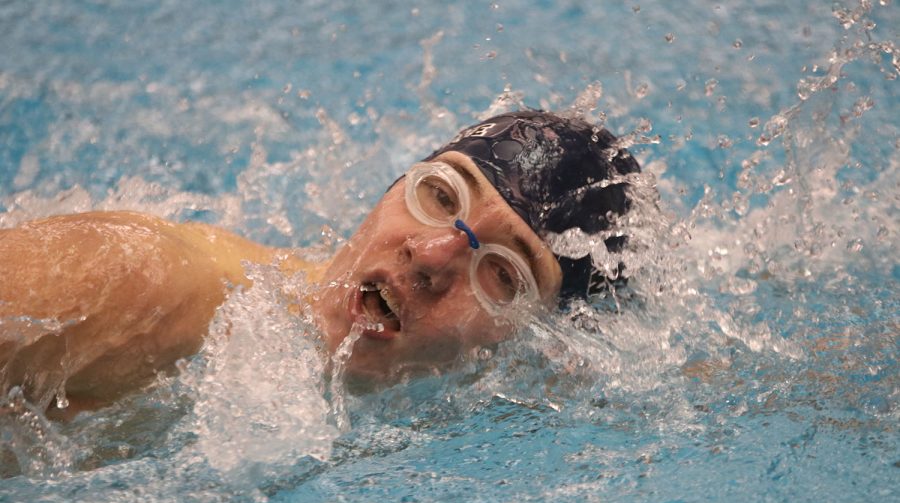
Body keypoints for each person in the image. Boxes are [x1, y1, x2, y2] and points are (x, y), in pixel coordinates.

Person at [0, 110, 640, 418]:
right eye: (439, 196)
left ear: (532, 341)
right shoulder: (144, 281)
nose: (432, 252)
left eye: (504, 273)